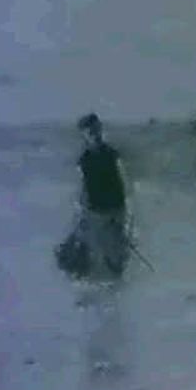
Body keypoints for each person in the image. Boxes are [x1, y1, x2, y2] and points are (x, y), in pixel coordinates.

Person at [72, 113, 131, 278]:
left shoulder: (112, 155)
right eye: (90, 132)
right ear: (84, 135)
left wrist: (126, 211)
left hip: (116, 209)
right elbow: (82, 189)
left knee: (116, 249)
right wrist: (82, 213)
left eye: (96, 131)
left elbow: (125, 183)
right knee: (99, 251)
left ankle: (116, 277)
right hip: (97, 212)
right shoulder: (84, 161)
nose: (95, 135)